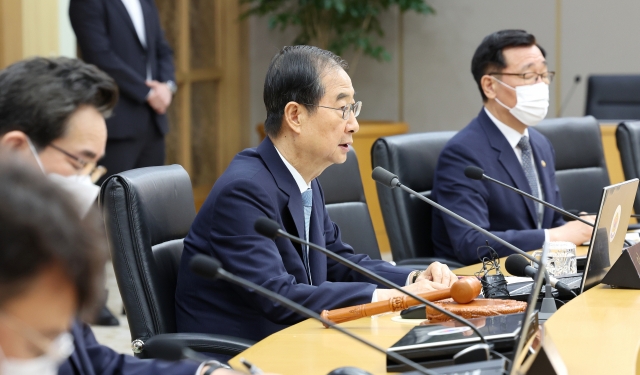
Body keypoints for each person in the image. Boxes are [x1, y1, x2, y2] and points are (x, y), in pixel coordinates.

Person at [175, 45, 458, 343]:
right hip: (242, 356)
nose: (354, 125)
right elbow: (277, 295)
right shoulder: (244, 190)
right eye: (342, 109)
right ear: (295, 115)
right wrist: (394, 298)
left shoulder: (302, 178)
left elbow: (338, 262)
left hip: (299, 342)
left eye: (353, 108)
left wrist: (412, 281)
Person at [431, 29, 593, 265]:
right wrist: (554, 236)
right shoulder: (463, 154)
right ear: (489, 86)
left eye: (544, 74)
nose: (541, 84)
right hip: (485, 286)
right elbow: (471, 242)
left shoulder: (539, 143)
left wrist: (582, 228)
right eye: (529, 75)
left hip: (543, 273)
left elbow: (550, 220)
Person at [69, 0, 176, 183]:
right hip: (117, 122)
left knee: (152, 201)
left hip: (153, 123)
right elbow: (100, 56)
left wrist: (167, 86)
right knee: (113, 204)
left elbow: (162, 48)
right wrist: (148, 93)